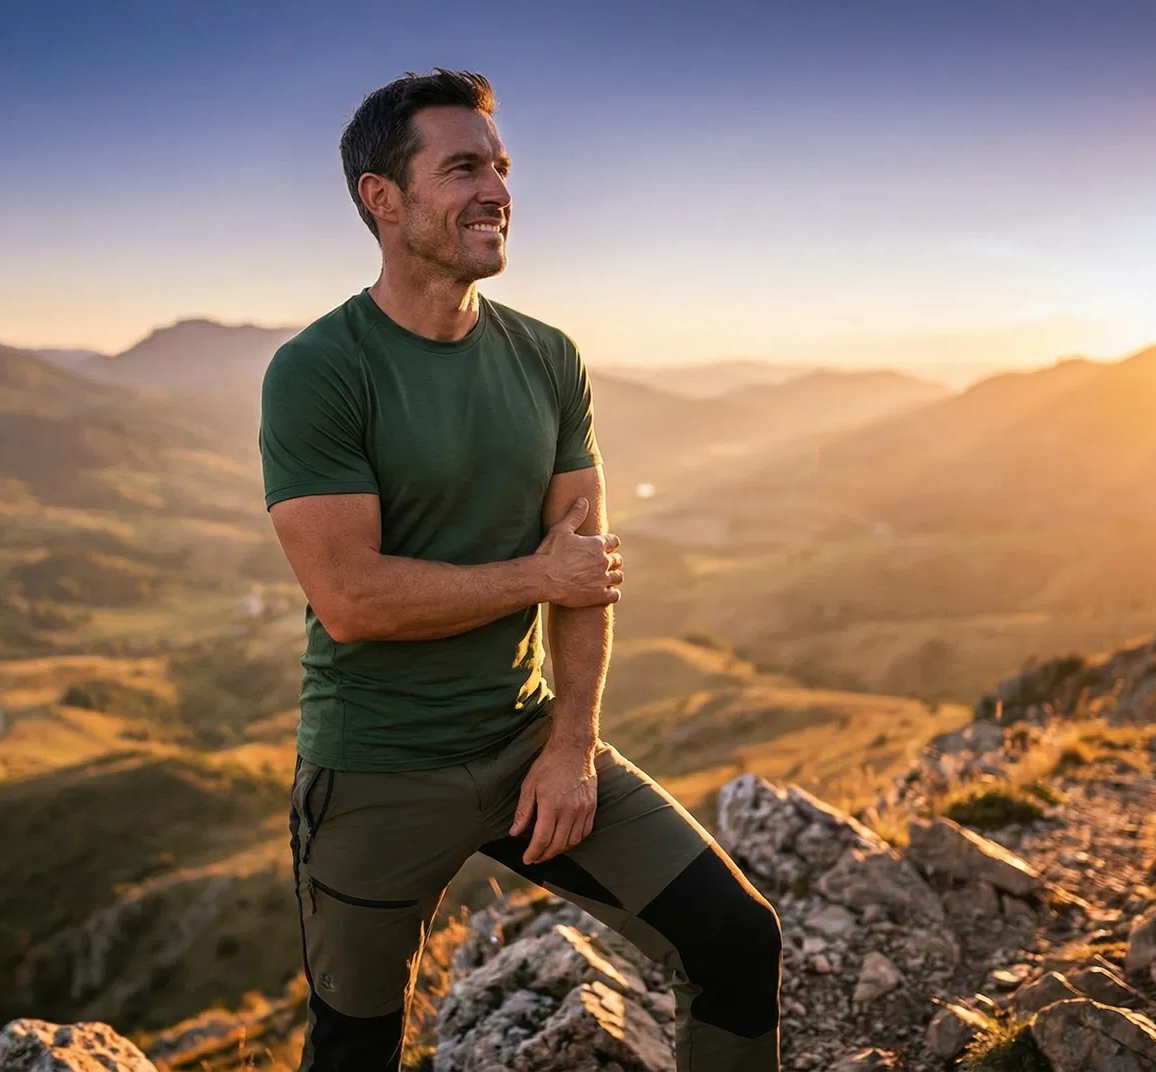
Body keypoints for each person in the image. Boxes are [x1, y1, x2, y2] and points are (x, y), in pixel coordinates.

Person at [259, 68, 782, 1072]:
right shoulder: (321, 369)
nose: (497, 189)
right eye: (463, 168)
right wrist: (538, 578)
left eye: (500, 166)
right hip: (374, 769)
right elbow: (352, 598)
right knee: (354, 1043)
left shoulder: (548, 358)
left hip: (525, 746)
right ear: (383, 198)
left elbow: (584, 571)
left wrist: (572, 742)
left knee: (736, 939)